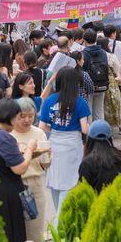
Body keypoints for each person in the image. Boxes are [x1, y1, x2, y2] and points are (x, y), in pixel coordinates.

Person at [38, 67, 91, 221]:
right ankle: (60, 222)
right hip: (72, 145)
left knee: (55, 183)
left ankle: (58, 218)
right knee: (69, 183)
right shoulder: (80, 102)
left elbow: (42, 127)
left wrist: (55, 126)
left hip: (54, 142)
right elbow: (84, 129)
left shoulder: (50, 100)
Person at [0, 99, 37, 242]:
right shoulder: (3, 136)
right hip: (6, 193)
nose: (17, 122)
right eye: (18, 117)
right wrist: (29, 149)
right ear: (9, 116)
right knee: (11, 237)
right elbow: (19, 168)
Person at [10, 97, 49, 242]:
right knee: (16, 234)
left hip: (35, 185)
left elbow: (45, 166)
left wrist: (48, 157)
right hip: (15, 185)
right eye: (22, 116)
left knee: (35, 234)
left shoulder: (39, 133)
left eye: (31, 116)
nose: (27, 120)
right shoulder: (8, 134)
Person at [78, 120, 121, 193]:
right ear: (110, 139)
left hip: (94, 202)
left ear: (89, 140)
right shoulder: (119, 158)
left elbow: (81, 191)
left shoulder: (87, 164)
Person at [82, 28, 109, 121]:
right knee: (99, 110)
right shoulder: (103, 52)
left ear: (84, 40)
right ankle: (100, 132)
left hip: (89, 87)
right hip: (102, 84)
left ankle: (90, 133)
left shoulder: (83, 54)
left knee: (88, 110)